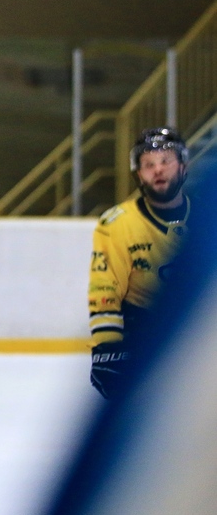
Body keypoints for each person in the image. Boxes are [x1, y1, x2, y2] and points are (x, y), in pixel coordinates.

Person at [88, 126, 191, 398]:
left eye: (166, 161)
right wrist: (107, 348)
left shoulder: (208, 215)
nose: (158, 170)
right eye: (148, 165)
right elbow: (105, 288)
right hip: (143, 341)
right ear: (138, 174)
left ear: (183, 166)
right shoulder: (117, 224)